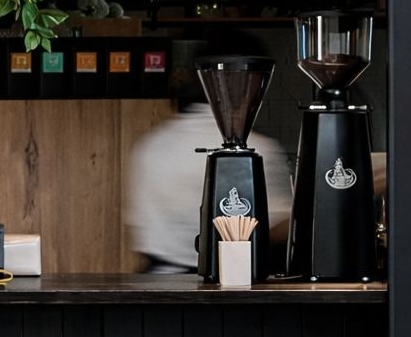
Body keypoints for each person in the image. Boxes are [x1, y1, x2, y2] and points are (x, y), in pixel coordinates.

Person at [125, 99, 292, 274]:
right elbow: (274, 226)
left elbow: (139, 224)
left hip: (157, 280)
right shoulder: (257, 148)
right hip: (227, 279)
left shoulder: (151, 145)